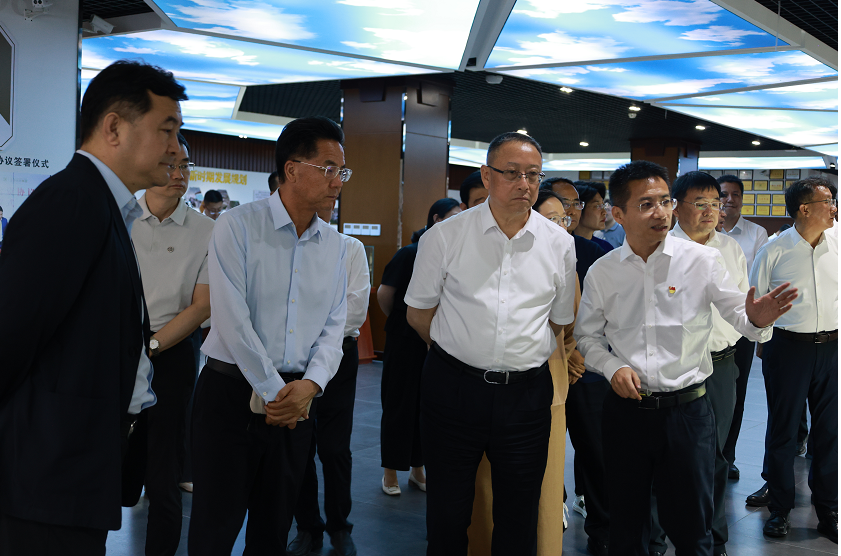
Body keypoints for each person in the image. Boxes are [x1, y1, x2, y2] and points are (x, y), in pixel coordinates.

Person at [0, 60, 186, 555]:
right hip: (45, 477)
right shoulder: (71, 201)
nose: (176, 148)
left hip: (76, 469)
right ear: (114, 128)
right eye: (166, 130)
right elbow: (10, 335)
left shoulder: (105, 206)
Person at [574, 160, 797, 556]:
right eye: (646, 204)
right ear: (619, 214)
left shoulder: (701, 260)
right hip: (627, 412)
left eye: (665, 201)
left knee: (693, 528)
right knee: (627, 526)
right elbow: (587, 337)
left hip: (688, 413)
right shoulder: (603, 271)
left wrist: (758, 319)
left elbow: (739, 315)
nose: (660, 212)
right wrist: (612, 366)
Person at [405, 132, 576, 555]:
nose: (524, 184)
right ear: (486, 175)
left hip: (526, 395)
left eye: (533, 175)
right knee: (447, 512)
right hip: (453, 390)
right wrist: (462, 351)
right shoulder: (445, 236)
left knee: (519, 515)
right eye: (512, 173)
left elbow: (559, 321)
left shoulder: (559, 243)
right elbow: (418, 314)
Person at [188, 116, 350, 555]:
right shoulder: (237, 226)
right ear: (292, 169)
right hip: (231, 397)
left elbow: (335, 326)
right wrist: (277, 393)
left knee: (273, 531)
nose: (338, 181)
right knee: (213, 529)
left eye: (342, 171)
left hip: (297, 402)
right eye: (329, 168)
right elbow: (231, 318)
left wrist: (310, 386)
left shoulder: (338, 247)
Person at [467, 187, 583, 556]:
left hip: (545, 386)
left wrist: (566, 360)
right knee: (485, 484)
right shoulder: (489, 255)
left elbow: (571, 329)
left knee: (544, 485)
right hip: (484, 384)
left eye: (563, 219)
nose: (559, 227)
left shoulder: (564, 262)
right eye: (550, 220)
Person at [122, 133, 214, 556]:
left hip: (172, 352)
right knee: (105, 463)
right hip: (116, 349)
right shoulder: (120, 217)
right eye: (170, 165)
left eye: (185, 166)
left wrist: (153, 347)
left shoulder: (206, 230)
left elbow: (202, 306)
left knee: (165, 470)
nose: (179, 174)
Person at [651, 171, 748, 556]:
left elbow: (741, 307)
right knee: (664, 453)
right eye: (700, 203)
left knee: (716, 456)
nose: (711, 211)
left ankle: (712, 536)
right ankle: (655, 539)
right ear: (676, 207)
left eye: (715, 203)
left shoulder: (730, 249)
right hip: (674, 366)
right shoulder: (660, 248)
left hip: (721, 365)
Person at [751, 177, 837, 541]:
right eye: (828, 201)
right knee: (783, 430)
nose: (834, 208)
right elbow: (754, 305)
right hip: (787, 348)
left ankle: (829, 511)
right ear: (804, 209)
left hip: (832, 348)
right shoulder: (774, 250)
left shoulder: (838, 241)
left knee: (830, 433)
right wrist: (764, 343)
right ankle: (780, 509)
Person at [288, 199, 370, 556]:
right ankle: (307, 526)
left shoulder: (349, 247)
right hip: (292, 357)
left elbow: (355, 308)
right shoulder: (284, 247)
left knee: (335, 447)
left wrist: (316, 335)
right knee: (298, 446)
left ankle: (339, 524)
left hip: (339, 354)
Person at [378, 198, 462, 496]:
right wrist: (403, 323)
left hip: (438, 341)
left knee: (427, 408)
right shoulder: (410, 253)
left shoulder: (455, 255)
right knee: (399, 404)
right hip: (404, 340)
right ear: (436, 219)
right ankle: (390, 472)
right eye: (454, 216)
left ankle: (418, 469)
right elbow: (385, 295)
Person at [718, 174, 770, 480]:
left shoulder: (756, 233)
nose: (729, 200)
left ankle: (728, 456)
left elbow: (759, 281)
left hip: (743, 323)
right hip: (711, 324)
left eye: (735, 194)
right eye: (723, 194)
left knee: (736, 394)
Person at [574, 181, 614, 252]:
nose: (604, 212)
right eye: (598, 206)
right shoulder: (565, 246)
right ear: (579, 208)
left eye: (603, 205)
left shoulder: (605, 248)